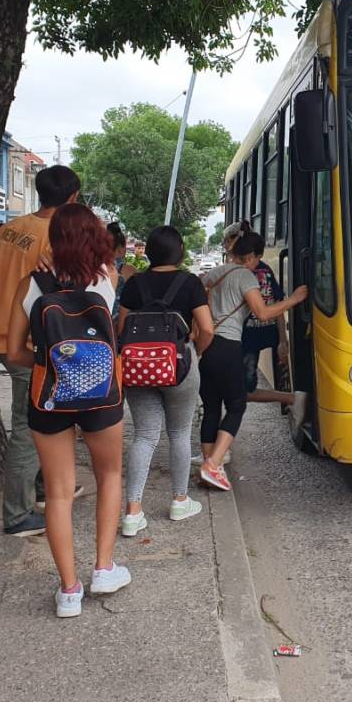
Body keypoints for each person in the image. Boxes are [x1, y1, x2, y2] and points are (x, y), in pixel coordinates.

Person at [5, 203, 130, 618]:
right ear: (94, 237)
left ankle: (69, 592)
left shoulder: (30, 284)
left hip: (50, 398)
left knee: (58, 492)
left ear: (52, 239)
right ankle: (104, 568)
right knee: (109, 475)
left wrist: (50, 366)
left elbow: (12, 352)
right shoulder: (106, 278)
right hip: (102, 397)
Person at [0, 166, 81, 537]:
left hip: (1, 332)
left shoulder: (8, 229)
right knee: (28, 426)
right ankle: (18, 513)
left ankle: (41, 487)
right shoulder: (57, 234)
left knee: (39, 415)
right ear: (73, 197)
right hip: (28, 340)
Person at [116, 225, 214, 534]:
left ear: (149, 252)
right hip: (180, 365)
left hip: (138, 368)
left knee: (144, 435)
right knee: (180, 432)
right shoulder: (190, 283)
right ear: (181, 251)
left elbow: (122, 329)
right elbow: (208, 329)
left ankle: (132, 512)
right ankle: (179, 500)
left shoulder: (134, 284)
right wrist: (194, 351)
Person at [198, 222, 307, 491]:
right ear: (250, 256)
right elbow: (262, 313)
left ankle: (209, 465)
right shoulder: (246, 276)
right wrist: (293, 299)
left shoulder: (211, 275)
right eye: (257, 258)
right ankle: (213, 465)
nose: (257, 263)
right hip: (229, 346)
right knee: (236, 405)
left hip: (206, 347)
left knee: (212, 408)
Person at [242, 237, 293, 406]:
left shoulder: (264, 272)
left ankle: (291, 400)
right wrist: (281, 340)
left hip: (250, 335)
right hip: (250, 335)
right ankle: (290, 399)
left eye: (251, 258)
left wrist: (283, 341)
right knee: (246, 386)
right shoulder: (246, 272)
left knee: (246, 386)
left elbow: (277, 305)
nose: (247, 262)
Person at [106, 222, 139, 319]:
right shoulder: (130, 270)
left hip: (99, 319)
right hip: (121, 321)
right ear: (121, 248)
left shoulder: (94, 268)